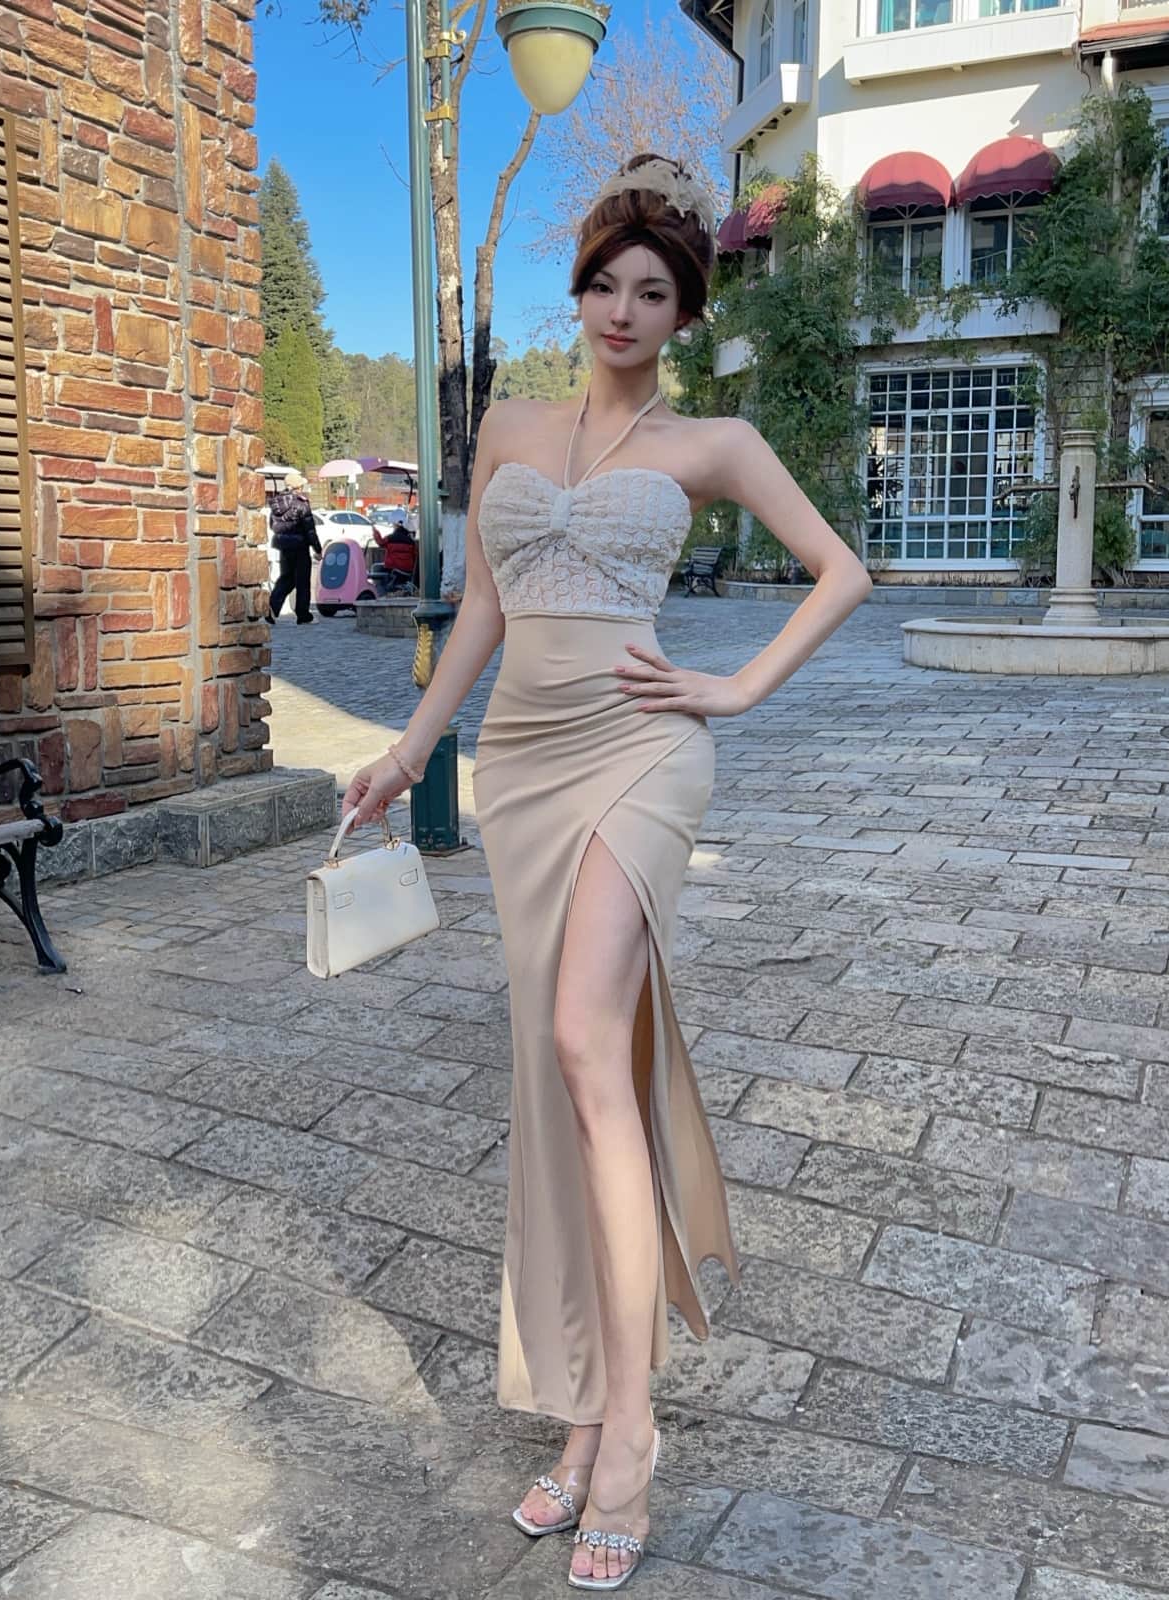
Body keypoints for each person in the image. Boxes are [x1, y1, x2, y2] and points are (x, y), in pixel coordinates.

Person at [341, 154, 872, 1591]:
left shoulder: (715, 441)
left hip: (642, 753)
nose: (623, 310)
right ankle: (580, 1406)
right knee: (559, 1079)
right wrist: (409, 751)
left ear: (684, 311)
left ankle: (629, 1432)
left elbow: (842, 572)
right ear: (577, 294)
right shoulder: (510, 426)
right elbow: (483, 609)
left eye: (653, 292)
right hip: (521, 766)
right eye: (604, 286)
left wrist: (735, 690)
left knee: (586, 1040)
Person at [267, 470, 321, 624]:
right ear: (298, 487)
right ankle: (303, 615)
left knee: (287, 578)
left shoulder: (276, 503)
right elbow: (309, 529)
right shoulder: (301, 504)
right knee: (302, 581)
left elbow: (272, 525)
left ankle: (271, 607)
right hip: (300, 546)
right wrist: (317, 549)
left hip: (284, 545)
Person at [372, 521, 419, 595]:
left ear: (396, 529)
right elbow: (415, 555)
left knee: (376, 568)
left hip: (393, 568)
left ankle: (380, 592)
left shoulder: (390, 538)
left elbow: (380, 542)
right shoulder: (411, 542)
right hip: (408, 570)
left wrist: (375, 532)